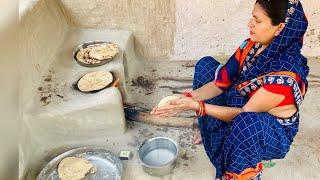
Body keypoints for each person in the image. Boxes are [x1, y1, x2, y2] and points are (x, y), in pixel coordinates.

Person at [151, 0, 309, 179]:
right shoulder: (250, 45)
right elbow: (220, 83)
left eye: (257, 21)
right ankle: (214, 140)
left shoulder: (285, 77)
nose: (250, 24)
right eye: (252, 17)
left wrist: (197, 106)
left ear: (279, 28)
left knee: (246, 125)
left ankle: (238, 172)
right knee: (206, 66)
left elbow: (242, 114)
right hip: (245, 107)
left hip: (268, 130)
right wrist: (184, 97)